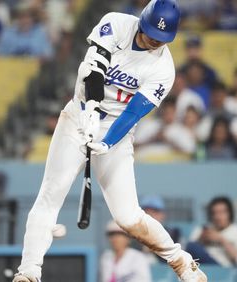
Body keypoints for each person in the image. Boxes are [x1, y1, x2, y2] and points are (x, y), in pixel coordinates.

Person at [13, 1, 208, 281]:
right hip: (78, 117)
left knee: (127, 216)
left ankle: (181, 262)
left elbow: (134, 112)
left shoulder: (164, 69)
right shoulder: (116, 23)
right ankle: (29, 271)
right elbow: (94, 69)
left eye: (162, 37)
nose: (155, 39)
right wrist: (91, 108)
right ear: (143, 21)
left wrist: (107, 142)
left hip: (117, 131)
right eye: (152, 31)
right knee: (49, 196)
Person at [186, 196, 237, 267]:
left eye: (221, 212)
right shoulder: (202, 230)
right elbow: (187, 255)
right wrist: (201, 240)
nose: (217, 217)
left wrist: (222, 240)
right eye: (214, 213)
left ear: (230, 213)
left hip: (225, 269)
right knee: (192, 246)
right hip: (200, 268)